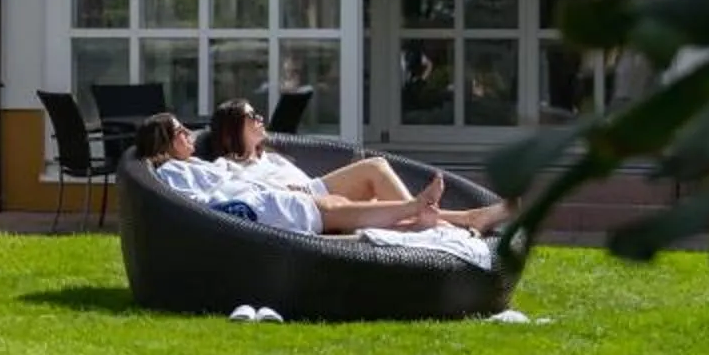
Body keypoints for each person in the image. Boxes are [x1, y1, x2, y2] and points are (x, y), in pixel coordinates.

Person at [135, 113, 472, 237]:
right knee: (339, 207)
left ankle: (420, 222)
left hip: (285, 195)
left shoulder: (201, 165)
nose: (188, 135)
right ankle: (417, 212)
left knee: (341, 202)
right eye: (180, 132)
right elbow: (207, 199)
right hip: (267, 206)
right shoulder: (176, 171)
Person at [203, 100, 508, 231]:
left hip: (319, 195)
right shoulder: (227, 166)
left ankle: (459, 219)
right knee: (375, 167)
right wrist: (287, 189)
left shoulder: (270, 157)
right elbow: (242, 196)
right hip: (303, 201)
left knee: (377, 186)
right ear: (231, 131)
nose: (259, 118)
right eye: (250, 116)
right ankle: (459, 220)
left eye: (258, 113)